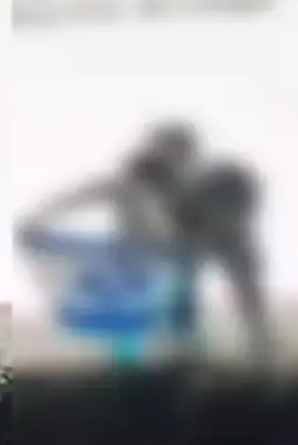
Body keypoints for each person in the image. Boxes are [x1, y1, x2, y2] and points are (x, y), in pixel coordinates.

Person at [23, 122, 271, 363]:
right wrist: (41, 215)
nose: (179, 160)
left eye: (182, 154)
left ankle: (248, 344)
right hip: (156, 253)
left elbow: (239, 263)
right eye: (173, 153)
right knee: (151, 302)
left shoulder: (207, 187)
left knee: (202, 283)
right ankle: (172, 352)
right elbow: (91, 192)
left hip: (183, 245)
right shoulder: (136, 182)